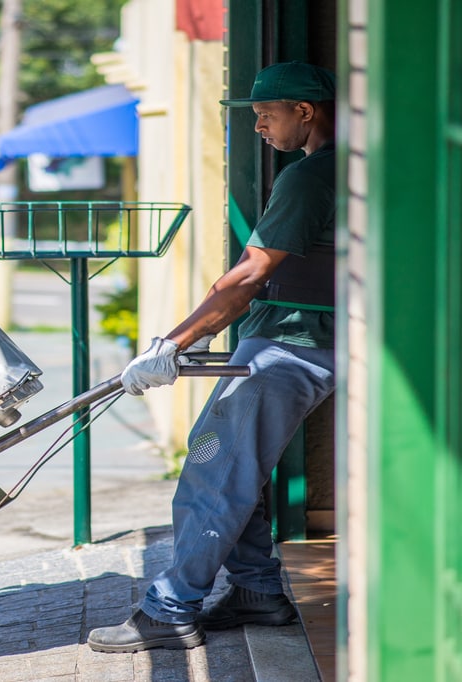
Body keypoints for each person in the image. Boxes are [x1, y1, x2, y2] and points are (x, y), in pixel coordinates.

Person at [87, 61, 338, 653]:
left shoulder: (310, 177)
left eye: (265, 113)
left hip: (294, 344)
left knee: (211, 467)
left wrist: (174, 344)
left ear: (305, 111)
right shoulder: (337, 168)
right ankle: (255, 591)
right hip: (296, 336)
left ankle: (171, 608)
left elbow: (251, 273)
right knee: (231, 468)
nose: (258, 126)